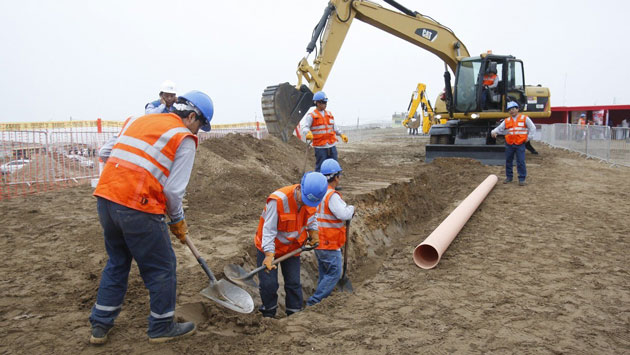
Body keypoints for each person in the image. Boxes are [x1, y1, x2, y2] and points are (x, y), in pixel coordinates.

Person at [88, 90, 214, 345]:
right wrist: (177, 220)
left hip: (106, 199)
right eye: (200, 126)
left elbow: (106, 152)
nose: (198, 132)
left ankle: (99, 327)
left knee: (118, 262)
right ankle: (161, 326)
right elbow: (172, 191)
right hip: (139, 207)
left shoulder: (136, 120)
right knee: (162, 268)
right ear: (191, 117)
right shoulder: (183, 138)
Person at [255, 171, 328, 318]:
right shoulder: (278, 200)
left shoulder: (312, 199)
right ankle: (268, 315)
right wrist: (269, 254)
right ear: (300, 188)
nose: (305, 204)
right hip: (270, 247)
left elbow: (311, 217)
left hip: (293, 248)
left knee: (294, 283)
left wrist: (313, 232)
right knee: (269, 285)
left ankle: (294, 315)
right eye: (304, 200)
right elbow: (268, 230)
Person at [307, 159, 354, 307]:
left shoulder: (318, 192)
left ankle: (318, 301)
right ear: (336, 177)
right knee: (334, 273)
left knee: (324, 272)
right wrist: (351, 209)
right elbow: (343, 214)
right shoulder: (331, 195)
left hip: (318, 241)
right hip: (329, 242)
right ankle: (315, 301)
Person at [491, 101, 536, 186]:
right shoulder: (507, 120)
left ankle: (522, 179)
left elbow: (532, 128)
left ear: (517, 109)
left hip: (520, 143)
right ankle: (509, 177)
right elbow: (499, 128)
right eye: (509, 110)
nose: (511, 111)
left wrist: (529, 138)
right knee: (508, 161)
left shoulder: (524, 118)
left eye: (513, 109)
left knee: (521, 161)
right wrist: (493, 132)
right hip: (510, 143)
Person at [301, 92, 349, 172]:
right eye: (323, 102)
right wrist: (308, 133)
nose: (325, 104)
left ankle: (333, 183)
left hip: (331, 145)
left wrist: (342, 135)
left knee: (334, 166)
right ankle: (320, 183)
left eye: (325, 102)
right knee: (320, 167)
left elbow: (334, 128)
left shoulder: (329, 114)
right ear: (317, 103)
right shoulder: (311, 116)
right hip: (320, 147)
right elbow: (305, 127)